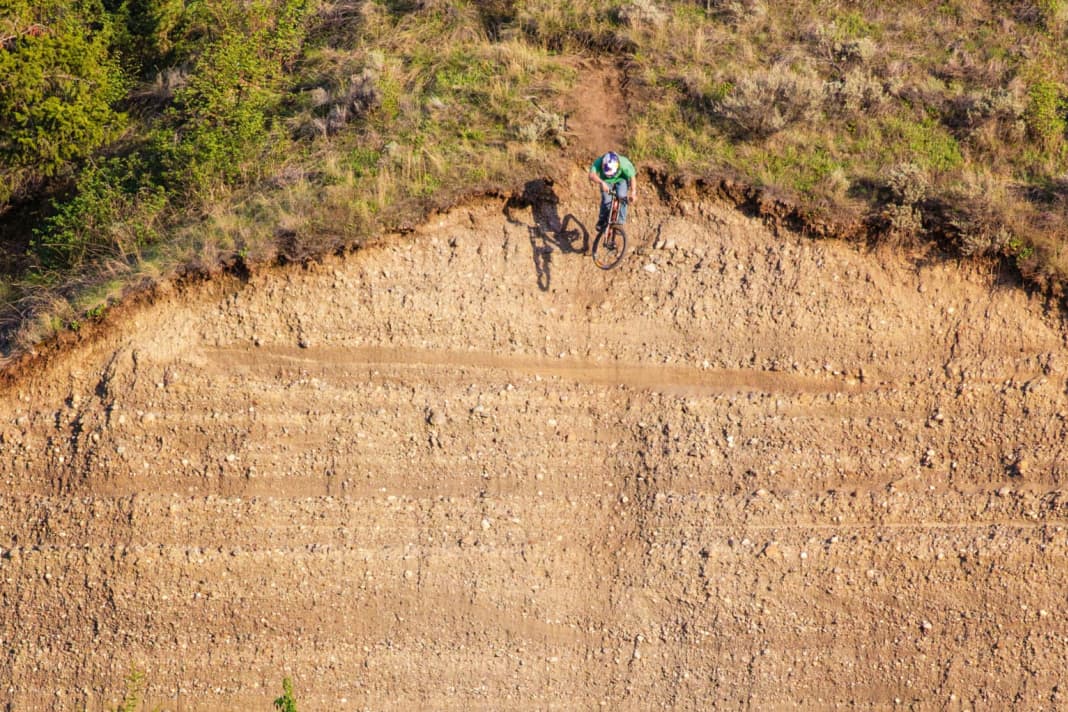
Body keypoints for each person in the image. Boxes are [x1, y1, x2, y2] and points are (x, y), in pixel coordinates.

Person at [588, 151, 637, 237]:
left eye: (612, 174)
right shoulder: (600, 161)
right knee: (606, 200)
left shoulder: (624, 163)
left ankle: (620, 222)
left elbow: (632, 177)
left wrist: (633, 193)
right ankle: (602, 220)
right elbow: (591, 175)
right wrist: (601, 182)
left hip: (621, 179)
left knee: (622, 196)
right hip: (605, 181)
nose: (611, 176)